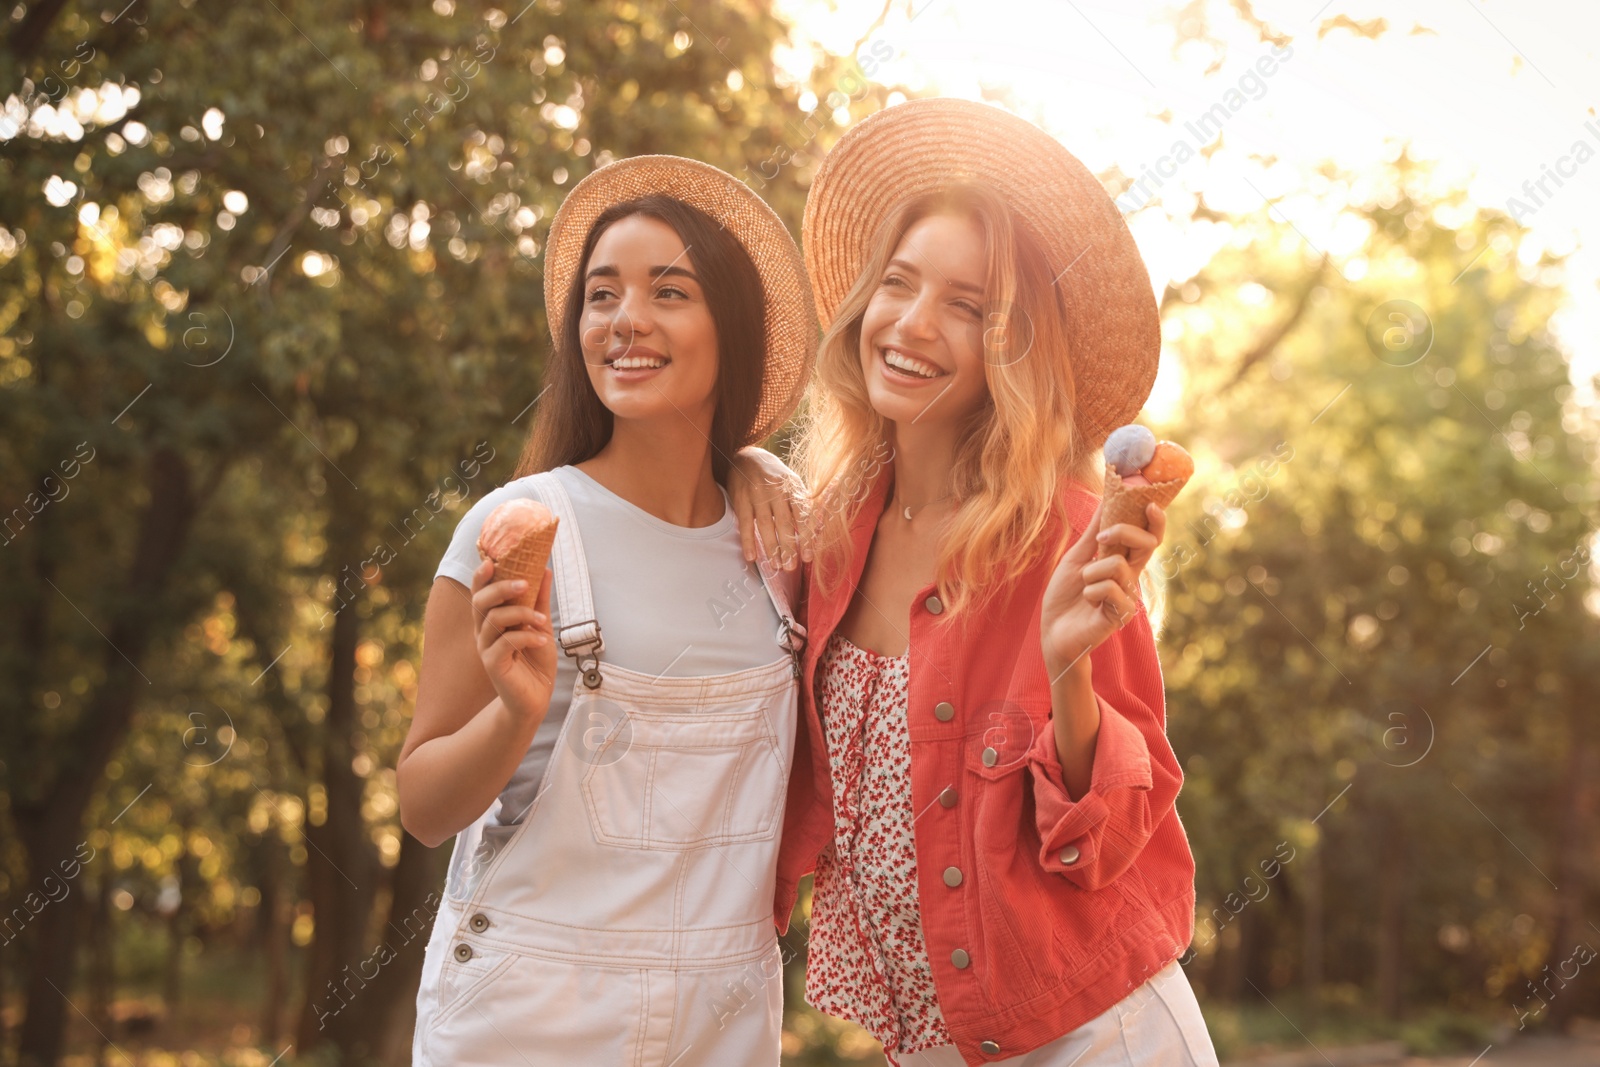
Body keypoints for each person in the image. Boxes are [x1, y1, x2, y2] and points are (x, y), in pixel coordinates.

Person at [730, 99, 1219, 1066]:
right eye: (899, 284)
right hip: (932, 1041)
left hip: (1095, 1033)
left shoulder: (1066, 536)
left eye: (968, 306)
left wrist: (1067, 671)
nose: (913, 324)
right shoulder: (826, 537)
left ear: (1014, 346)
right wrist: (737, 462)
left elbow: (1110, 836)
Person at [397, 154, 817, 1066]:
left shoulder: (785, 550)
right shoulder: (519, 531)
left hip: (724, 1022)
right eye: (601, 295)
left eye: (670, 292)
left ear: (729, 327)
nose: (626, 320)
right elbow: (424, 806)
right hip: (528, 1016)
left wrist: (757, 461)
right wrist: (515, 710)